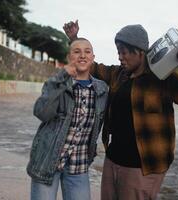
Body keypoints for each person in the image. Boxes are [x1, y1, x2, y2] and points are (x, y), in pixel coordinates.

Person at [63, 21, 178, 200]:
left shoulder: (162, 77)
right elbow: (91, 67)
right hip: (113, 160)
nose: (120, 57)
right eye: (118, 52)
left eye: (124, 52)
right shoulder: (119, 75)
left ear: (139, 52)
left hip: (143, 167)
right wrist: (74, 39)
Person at [26, 37, 109, 200]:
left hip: (79, 165)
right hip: (47, 161)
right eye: (76, 52)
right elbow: (41, 112)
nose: (82, 55)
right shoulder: (58, 84)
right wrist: (61, 76)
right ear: (69, 58)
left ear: (93, 58)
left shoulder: (102, 90)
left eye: (87, 51)